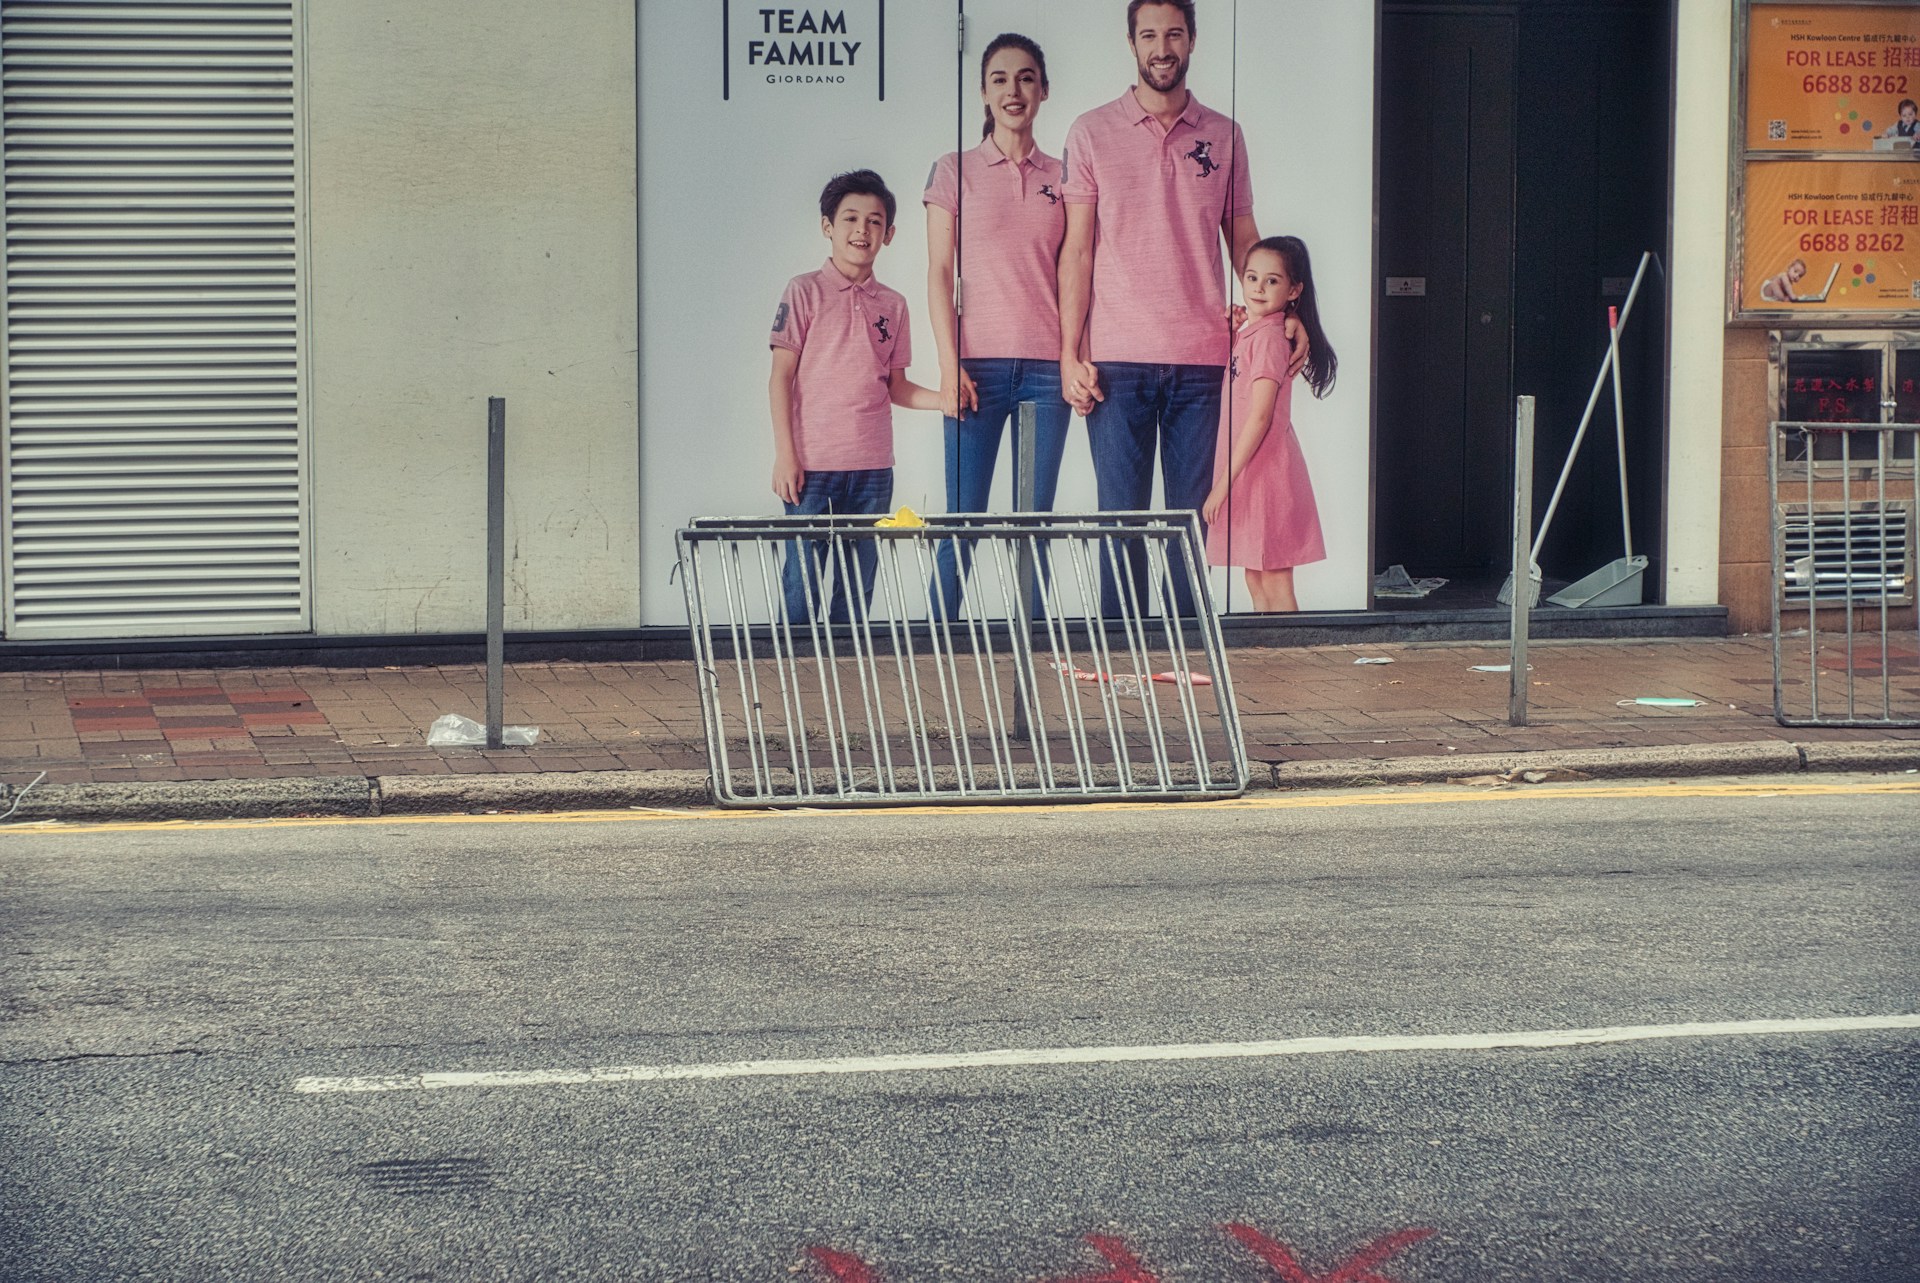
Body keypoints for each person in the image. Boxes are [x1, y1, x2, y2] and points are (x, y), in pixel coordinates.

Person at [1058, 0, 1302, 617]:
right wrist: (1069, 353)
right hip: (1116, 359)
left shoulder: (1224, 134)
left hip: (1203, 362)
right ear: (1131, 43)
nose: (1161, 46)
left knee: (1194, 522)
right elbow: (1078, 251)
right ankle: (1123, 652)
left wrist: (1275, 313)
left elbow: (1245, 240)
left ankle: (1191, 653)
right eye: (1149, 35)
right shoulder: (1090, 131)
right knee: (1121, 520)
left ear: (1192, 40)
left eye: (1173, 33)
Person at [923, 32, 1069, 615]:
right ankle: (935, 644)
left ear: (1044, 90)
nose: (1014, 90)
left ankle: (1032, 648)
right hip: (974, 368)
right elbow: (938, 273)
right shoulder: (954, 169)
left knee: (1033, 523)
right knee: (962, 519)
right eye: (1001, 79)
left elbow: (1082, 271)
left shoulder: (1065, 175)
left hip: (1045, 372)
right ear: (983, 91)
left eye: (1027, 77)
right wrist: (947, 362)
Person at [769, 169, 940, 624]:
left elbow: (896, 386)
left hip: (872, 470)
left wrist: (944, 400)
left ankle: (847, 681)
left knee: (857, 585)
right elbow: (780, 378)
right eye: (849, 219)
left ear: (889, 233)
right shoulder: (803, 291)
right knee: (801, 583)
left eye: (874, 221)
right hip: (812, 468)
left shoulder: (894, 304)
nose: (861, 230)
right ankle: (796, 680)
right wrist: (786, 456)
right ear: (828, 226)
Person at [1202, 236, 1336, 612]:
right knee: (1255, 575)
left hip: (1265, 473)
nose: (1258, 287)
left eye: (1272, 280)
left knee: (1275, 579)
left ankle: (1294, 665)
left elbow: (1260, 417)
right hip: (1250, 474)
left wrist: (1221, 486)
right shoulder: (1254, 335)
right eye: (1251, 277)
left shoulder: (1271, 340)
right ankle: (1270, 662)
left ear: (1294, 290)